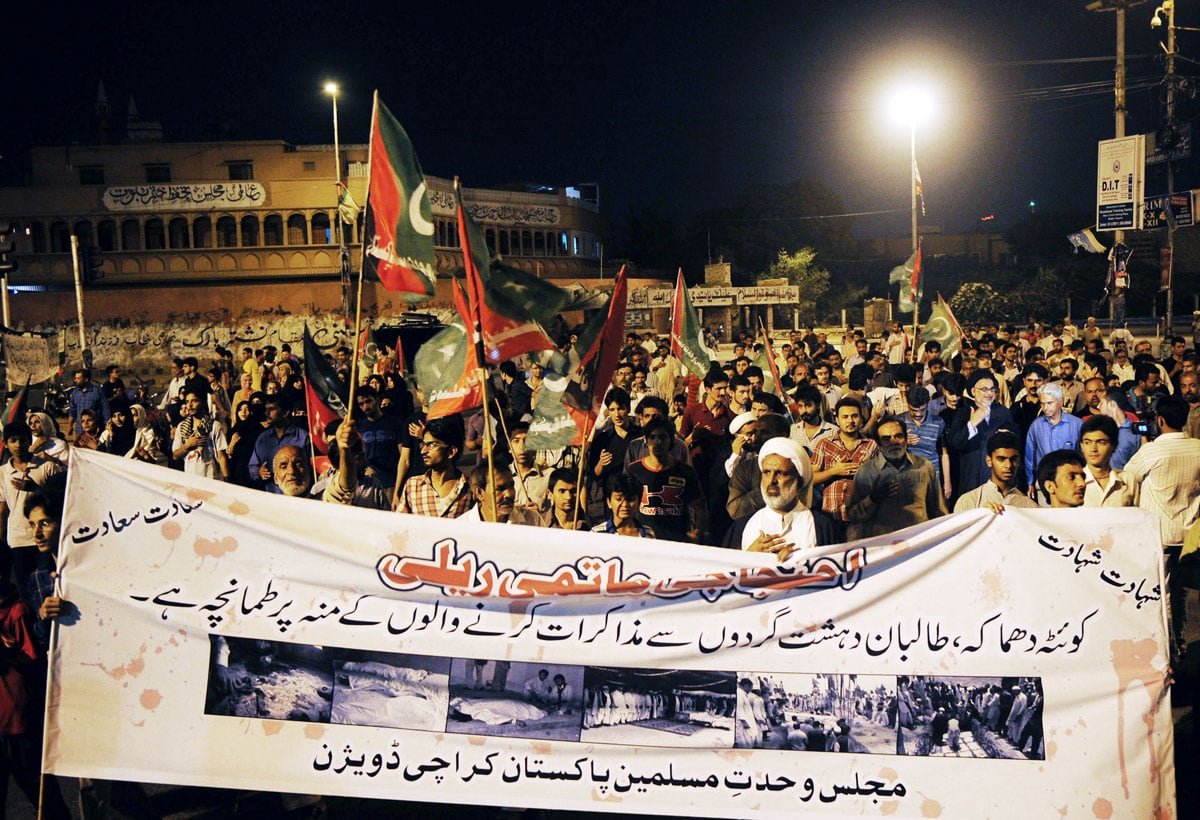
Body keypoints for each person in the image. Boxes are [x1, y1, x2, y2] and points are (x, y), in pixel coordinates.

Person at [1122, 395, 1200, 657]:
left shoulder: (1152, 450)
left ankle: (1168, 652)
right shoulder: (1198, 447)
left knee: (1161, 595)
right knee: (1181, 596)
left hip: (1160, 536)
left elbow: (1127, 479)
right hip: (1189, 537)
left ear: (1160, 420)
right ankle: (1181, 642)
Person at [725, 437, 838, 560]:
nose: (772, 480)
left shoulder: (822, 526)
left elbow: (837, 573)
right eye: (767, 472)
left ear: (799, 481)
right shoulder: (742, 527)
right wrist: (748, 557)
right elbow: (726, 574)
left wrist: (794, 565)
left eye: (781, 473)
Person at [846, 417, 947, 539]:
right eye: (886, 439)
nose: (893, 442)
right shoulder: (867, 472)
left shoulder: (924, 467)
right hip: (883, 546)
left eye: (898, 436)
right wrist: (873, 499)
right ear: (878, 444)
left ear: (906, 439)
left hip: (918, 542)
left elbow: (938, 510)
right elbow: (853, 515)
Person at [0, 423, 65, 584]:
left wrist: (35, 488)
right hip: (17, 539)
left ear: (29, 441)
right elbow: (2, 511)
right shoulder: (2, 473)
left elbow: (62, 499)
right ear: (6, 443)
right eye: (13, 440)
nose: (18, 445)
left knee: (47, 586)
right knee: (25, 592)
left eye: (22, 440)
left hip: (46, 539)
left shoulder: (48, 467)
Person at [627, 416, 706, 543]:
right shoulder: (634, 470)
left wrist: (696, 532)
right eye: (652, 437)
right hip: (644, 541)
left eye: (662, 438)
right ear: (645, 441)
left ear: (671, 440)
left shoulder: (685, 472)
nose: (657, 442)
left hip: (677, 540)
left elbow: (699, 507)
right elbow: (625, 505)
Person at [810, 397, 878, 541]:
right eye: (845, 417)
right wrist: (834, 471)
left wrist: (863, 473)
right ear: (837, 420)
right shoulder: (824, 444)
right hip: (830, 514)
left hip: (859, 516)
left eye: (854, 416)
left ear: (861, 418)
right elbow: (810, 479)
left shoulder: (871, 445)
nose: (850, 421)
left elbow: (879, 480)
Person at [948, 370, 1016, 496]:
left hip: (996, 478)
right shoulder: (963, 413)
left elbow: (1014, 444)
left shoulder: (1004, 413)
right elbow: (955, 443)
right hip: (970, 477)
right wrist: (972, 423)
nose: (989, 393)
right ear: (973, 391)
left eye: (992, 389)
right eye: (984, 389)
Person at [397, 415, 473, 518]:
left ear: (451, 452)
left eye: (431, 445)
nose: (423, 451)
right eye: (422, 445)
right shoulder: (413, 485)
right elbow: (400, 526)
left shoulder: (469, 489)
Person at [953, 431, 1037, 513]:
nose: (1008, 465)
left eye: (1013, 459)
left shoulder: (1030, 507)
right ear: (989, 461)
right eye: (1001, 459)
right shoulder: (968, 502)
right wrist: (980, 515)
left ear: (1019, 461)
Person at [1024, 383, 1082, 495]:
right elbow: (1029, 456)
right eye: (1042, 404)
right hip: (1044, 481)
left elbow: (1083, 453)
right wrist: (1030, 482)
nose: (1045, 408)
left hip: (1070, 482)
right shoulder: (1036, 426)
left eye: (1050, 403)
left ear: (1060, 401)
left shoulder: (1076, 424)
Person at [247, 395, 308, 489]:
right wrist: (259, 472)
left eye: (272, 409)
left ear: (285, 412)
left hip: (297, 495)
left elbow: (312, 467)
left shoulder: (302, 437)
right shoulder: (263, 439)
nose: (267, 413)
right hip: (272, 496)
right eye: (266, 409)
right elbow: (252, 467)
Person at [1079, 415, 1138, 508]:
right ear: (1081, 446)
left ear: (1114, 446)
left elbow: (1138, 518)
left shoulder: (1127, 481)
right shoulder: (1074, 482)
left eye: (1101, 442)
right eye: (1088, 442)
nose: (1093, 449)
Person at [172, 390, 229, 480]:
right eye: (187, 402)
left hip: (210, 477)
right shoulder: (182, 427)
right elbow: (175, 455)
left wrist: (227, 478)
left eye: (194, 401)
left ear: (202, 402)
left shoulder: (214, 426)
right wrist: (188, 445)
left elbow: (221, 456)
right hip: (190, 478)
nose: (190, 405)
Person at [591, 473, 655, 537]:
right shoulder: (597, 534)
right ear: (609, 502)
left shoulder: (648, 534)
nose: (625, 504)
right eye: (619, 499)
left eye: (630, 499)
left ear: (639, 502)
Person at [67, 369, 110, 438]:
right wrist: (70, 425)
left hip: (94, 431)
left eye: (78, 378)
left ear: (86, 379)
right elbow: (72, 411)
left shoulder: (97, 392)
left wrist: (107, 425)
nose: (75, 381)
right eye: (75, 378)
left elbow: (105, 409)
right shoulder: (75, 393)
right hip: (79, 430)